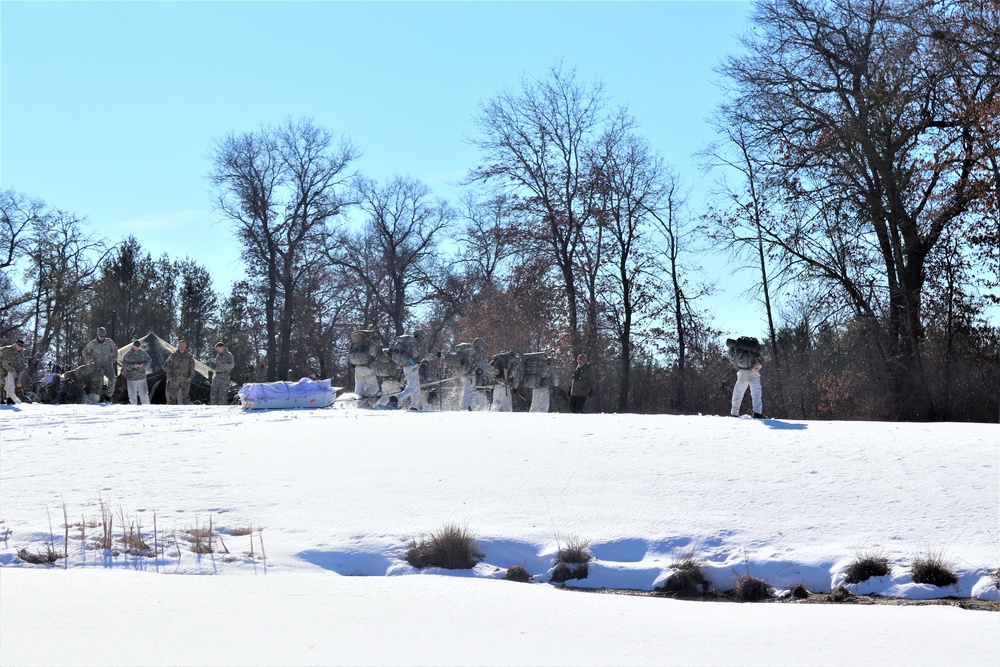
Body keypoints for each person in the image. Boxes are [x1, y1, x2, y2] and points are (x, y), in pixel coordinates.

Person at [727, 336, 769, 418]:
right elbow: (767, 357)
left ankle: (734, 413)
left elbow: (730, 355)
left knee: (738, 393)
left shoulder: (737, 347)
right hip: (754, 371)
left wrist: (736, 364)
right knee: (756, 393)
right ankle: (757, 413)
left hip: (742, 371)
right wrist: (760, 362)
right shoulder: (757, 347)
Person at [385, 329, 427, 410]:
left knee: (416, 388)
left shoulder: (408, 342)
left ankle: (414, 406)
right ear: (421, 336)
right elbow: (424, 355)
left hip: (406, 366)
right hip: (413, 366)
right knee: (411, 387)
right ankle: (396, 399)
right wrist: (436, 356)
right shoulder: (416, 344)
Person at [83, 327, 118, 402]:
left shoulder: (109, 342)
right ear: (98, 335)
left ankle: (108, 396)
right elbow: (85, 352)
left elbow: (115, 349)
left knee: (113, 379)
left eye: (104, 336)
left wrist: (115, 357)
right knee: (99, 383)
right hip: (97, 366)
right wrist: (88, 359)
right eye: (101, 336)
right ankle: (100, 398)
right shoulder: (93, 344)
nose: (102, 338)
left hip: (108, 365)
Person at [457, 338, 492, 411]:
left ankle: (470, 407)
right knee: (468, 392)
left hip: (464, 374)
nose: (482, 347)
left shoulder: (467, 350)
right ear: (479, 345)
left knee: (473, 392)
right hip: (469, 375)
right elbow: (483, 364)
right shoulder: (476, 352)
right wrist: (493, 371)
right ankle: (464, 408)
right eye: (481, 345)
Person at [348, 330, 381, 399]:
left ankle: (356, 403)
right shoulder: (370, 344)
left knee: (358, 389)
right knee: (374, 387)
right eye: (378, 340)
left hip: (357, 368)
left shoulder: (355, 344)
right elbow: (376, 354)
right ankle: (363, 397)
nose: (378, 342)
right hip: (368, 368)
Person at [163, 339, 195, 405]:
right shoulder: (173, 356)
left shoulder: (189, 356)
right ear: (178, 346)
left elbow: (192, 367)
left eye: (183, 345)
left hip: (185, 379)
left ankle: (189, 411)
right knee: (172, 397)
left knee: (186, 397)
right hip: (174, 379)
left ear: (185, 346)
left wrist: (191, 376)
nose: (182, 346)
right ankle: (169, 411)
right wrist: (169, 376)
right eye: (180, 345)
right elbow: (166, 366)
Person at [121, 339, 152, 405]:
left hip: (141, 377)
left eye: (138, 346)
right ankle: (133, 408)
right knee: (132, 395)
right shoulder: (128, 354)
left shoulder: (143, 353)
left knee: (144, 394)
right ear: (133, 346)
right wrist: (133, 366)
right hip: (131, 378)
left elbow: (149, 361)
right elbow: (124, 364)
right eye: (136, 346)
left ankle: (147, 408)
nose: (137, 348)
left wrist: (143, 366)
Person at [208, 341, 235, 405]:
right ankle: (213, 407)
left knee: (222, 395)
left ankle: (223, 410)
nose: (216, 351)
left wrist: (221, 365)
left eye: (217, 349)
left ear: (222, 347)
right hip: (217, 375)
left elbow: (230, 366)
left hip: (225, 376)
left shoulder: (229, 355)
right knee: (213, 393)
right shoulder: (218, 356)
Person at [1, 339, 25, 404]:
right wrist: (12, 370)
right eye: (18, 345)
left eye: (21, 346)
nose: (19, 347)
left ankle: (10, 399)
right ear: (15, 344)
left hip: (3, 366)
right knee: (2, 383)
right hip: (2, 366)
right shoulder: (10, 350)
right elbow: (4, 363)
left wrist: (12, 370)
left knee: (10, 383)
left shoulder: (14, 351)